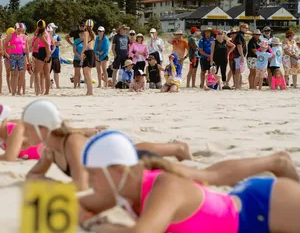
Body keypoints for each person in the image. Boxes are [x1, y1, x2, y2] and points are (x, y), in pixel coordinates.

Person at [80, 130, 300, 233]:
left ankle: (277, 161)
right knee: (209, 175)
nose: (89, 182)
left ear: (118, 170)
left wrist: (105, 227)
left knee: (210, 176)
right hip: (239, 205)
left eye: (93, 175)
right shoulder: (121, 192)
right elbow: (78, 206)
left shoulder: (165, 185)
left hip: (265, 207)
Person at [22, 100, 192, 191]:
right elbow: (32, 176)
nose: (25, 134)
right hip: (116, 169)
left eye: (28, 129)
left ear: (43, 127)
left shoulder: (71, 142)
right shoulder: (50, 148)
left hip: (135, 166)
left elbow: (81, 185)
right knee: (133, 147)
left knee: (136, 150)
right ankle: (176, 148)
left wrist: (50, 184)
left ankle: (177, 148)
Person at [3, 23, 27, 96]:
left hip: (20, 56)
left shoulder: (22, 36)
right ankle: (13, 92)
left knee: (21, 73)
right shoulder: (11, 35)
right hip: (13, 56)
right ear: (15, 28)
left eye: (21, 30)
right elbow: (4, 45)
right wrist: (10, 47)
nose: (20, 31)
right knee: (13, 74)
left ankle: (19, 91)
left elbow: (24, 45)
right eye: (19, 30)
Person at [32, 20, 54, 95]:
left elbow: (47, 45)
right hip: (48, 52)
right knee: (46, 73)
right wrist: (48, 55)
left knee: (36, 72)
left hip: (43, 52)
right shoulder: (47, 33)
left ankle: (38, 91)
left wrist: (47, 56)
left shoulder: (41, 34)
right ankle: (46, 92)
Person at [81, 19, 96, 96]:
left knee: (87, 74)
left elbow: (85, 45)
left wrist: (82, 52)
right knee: (88, 73)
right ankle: (89, 91)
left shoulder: (86, 33)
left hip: (87, 52)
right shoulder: (93, 33)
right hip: (92, 52)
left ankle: (90, 91)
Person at [233, 24, 247, 90]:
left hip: (240, 55)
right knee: (238, 70)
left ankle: (238, 85)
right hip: (238, 55)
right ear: (241, 28)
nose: (246, 29)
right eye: (245, 28)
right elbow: (239, 46)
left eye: (247, 28)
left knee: (239, 70)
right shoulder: (239, 35)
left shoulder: (241, 35)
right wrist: (242, 55)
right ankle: (237, 86)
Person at [48, 23, 61, 89]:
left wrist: (52, 43)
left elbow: (60, 43)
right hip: (48, 56)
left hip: (55, 56)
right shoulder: (46, 36)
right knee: (47, 72)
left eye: (55, 28)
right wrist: (54, 43)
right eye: (54, 28)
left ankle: (58, 85)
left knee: (56, 72)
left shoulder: (56, 36)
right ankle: (49, 84)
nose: (55, 29)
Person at [3, 27, 15, 93]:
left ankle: (13, 88)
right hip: (7, 58)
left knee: (14, 74)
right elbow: (4, 50)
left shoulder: (14, 40)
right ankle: (10, 89)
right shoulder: (4, 40)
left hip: (13, 58)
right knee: (8, 74)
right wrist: (9, 57)